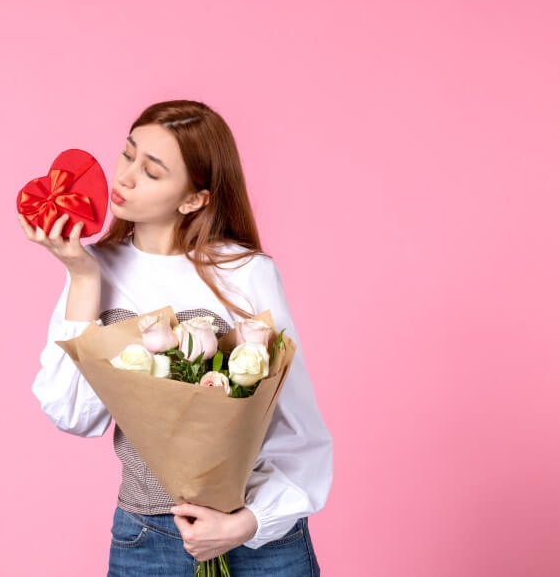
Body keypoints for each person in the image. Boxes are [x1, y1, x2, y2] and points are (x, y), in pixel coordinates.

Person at [20, 99, 333, 576]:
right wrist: (83, 279)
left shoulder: (246, 272)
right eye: (127, 155)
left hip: (261, 543)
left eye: (152, 171)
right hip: (149, 539)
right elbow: (73, 416)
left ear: (194, 198)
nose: (123, 178)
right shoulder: (94, 268)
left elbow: (297, 426)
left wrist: (247, 523)